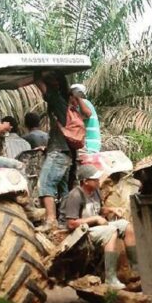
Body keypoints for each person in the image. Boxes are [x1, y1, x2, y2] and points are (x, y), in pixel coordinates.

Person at [60, 165, 137, 289]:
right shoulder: (75, 195)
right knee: (111, 231)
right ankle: (110, 278)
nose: (98, 181)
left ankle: (136, 269)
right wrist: (94, 219)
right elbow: (71, 223)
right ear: (85, 181)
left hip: (97, 228)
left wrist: (112, 209)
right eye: (95, 179)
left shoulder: (95, 192)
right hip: (80, 233)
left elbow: (98, 210)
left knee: (126, 226)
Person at [35, 71, 92, 227]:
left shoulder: (56, 99)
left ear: (55, 82)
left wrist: (36, 72)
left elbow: (37, 81)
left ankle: (51, 220)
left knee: (45, 184)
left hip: (59, 152)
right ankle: (65, 220)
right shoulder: (69, 104)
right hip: (67, 154)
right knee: (63, 188)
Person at [70, 84, 101, 153]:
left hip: (89, 145)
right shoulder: (81, 105)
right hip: (91, 144)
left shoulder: (84, 103)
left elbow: (88, 114)